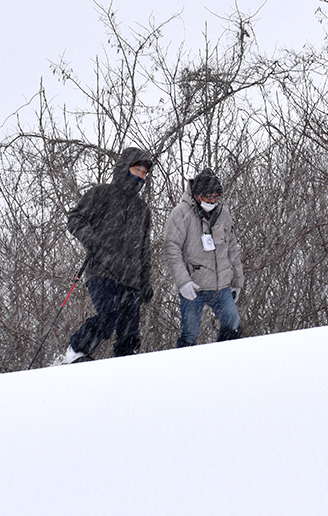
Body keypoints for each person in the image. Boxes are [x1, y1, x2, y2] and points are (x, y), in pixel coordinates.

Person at [59, 147, 155, 364]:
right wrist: (90, 239)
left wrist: (145, 282)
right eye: (137, 170)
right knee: (108, 316)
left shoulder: (142, 209)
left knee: (129, 331)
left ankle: (124, 365)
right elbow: (75, 218)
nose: (140, 175)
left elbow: (144, 250)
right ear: (125, 168)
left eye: (144, 173)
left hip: (131, 278)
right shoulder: (102, 193)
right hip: (102, 270)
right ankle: (76, 352)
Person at [163, 168, 244, 347]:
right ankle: (186, 362)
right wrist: (183, 282)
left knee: (233, 326)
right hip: (194, 285)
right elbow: (171, 248)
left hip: (221, 286)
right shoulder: (181, 214)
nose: (213, 201)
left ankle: (223, 357)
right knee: (190, 335)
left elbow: (232, 249)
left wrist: (237, 282)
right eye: (209, 197)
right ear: (197, 195)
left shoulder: (223, 214)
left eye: (216, 197)